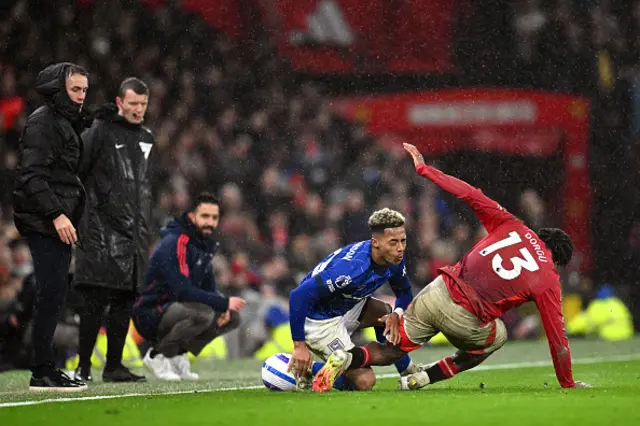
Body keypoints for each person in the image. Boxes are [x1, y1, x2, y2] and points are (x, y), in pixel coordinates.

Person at [313, 143, 591, 391]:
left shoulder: (512, 224)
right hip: (465, 318)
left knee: (391, 351)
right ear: (556, 259)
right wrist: (567, 381)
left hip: (438, 290)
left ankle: (348, 357)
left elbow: (469, 193)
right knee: (499, 336)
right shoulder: (548, 277)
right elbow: (557, 338)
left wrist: (425, 170)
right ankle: (424, 378)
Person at [12, 62, 89, 391]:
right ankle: (41, 370)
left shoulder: (60, 122)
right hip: (44, 221)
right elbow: (32, 176)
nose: (82, 96)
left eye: (85, 90)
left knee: (53, 294)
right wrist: (57, 214)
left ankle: (45, 368)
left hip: (51, 220)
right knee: (50, 294)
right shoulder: (44, 122)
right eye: (75, 89)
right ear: (59, 90)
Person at [72, 77, 154, 383]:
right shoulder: (101, 130)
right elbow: (79, 167)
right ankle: (82, 366)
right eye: (132, 103)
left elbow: (145, 188)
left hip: (134, 234)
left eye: (143, 104)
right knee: (95, 300)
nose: (138, 109)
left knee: (124, 301)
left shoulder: (147, 138)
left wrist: (145, 227)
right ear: (119, 102)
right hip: (100, 230)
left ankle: (114, 366)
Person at [288, 207, 422, 392]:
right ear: (375, 243)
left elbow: (405, 292)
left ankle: (408, 372)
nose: (400, 248)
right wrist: (299, 346)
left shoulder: (393, 257)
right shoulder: (351, 269)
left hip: (346, 305)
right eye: (393, 242)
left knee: (385, 313)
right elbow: (298, 296)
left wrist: (397, 313)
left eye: (402, 241)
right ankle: (307, 369)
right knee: (365, 381)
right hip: (320, 322)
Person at [132, 193, 246, 381]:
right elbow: (182, 290)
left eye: (214, 217)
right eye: (205, 216)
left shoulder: (204, 244)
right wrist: (223, 301)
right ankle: (157, 356)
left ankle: (177, 354)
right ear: (192, 216)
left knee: (232, 317)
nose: (210, 222)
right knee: (203, 314)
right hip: (150, 311)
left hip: (178, 309)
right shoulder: (176, 242)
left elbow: (208, 286)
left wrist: (222, 306)